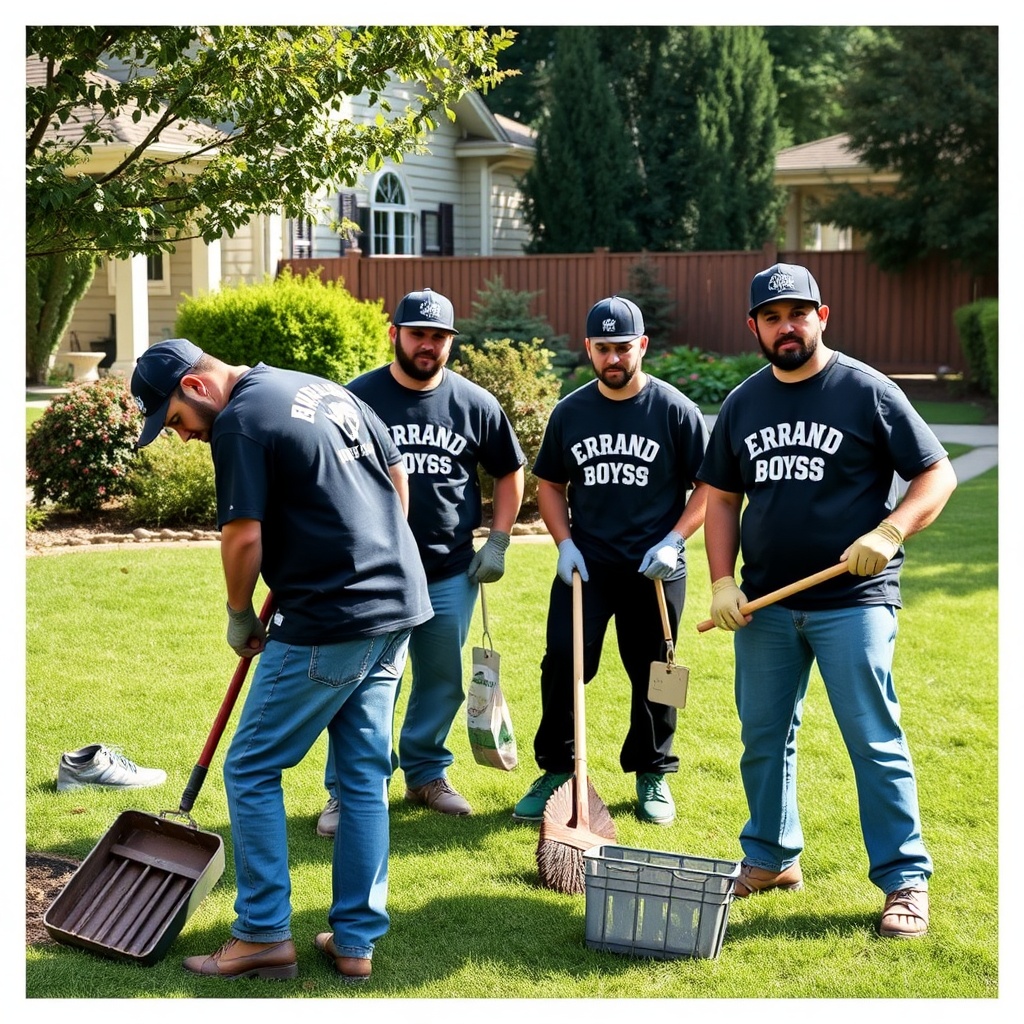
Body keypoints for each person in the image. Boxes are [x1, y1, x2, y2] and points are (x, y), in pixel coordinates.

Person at [129, 338, 432, 982]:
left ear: (197, 387)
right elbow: (395, 473)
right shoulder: (321, 387)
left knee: (251, 766)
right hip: (400, 603)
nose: (182, 437)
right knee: (360, 777)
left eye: (176, 422)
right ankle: (354, 943)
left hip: (331, 617)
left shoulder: (240, 420)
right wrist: (372, 551)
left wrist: (240, 613)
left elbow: (242, 534)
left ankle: (263, 932)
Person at [697, 262, 957, 939]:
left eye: (799, 313)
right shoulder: (744, 403)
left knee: (874, 740)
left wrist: (893, 528)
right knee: (762, 737)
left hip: (857, 599)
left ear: (823, 316)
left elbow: (937, 472)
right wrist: (723, 580)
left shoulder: (866, 391)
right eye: (773, 316)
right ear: (754, 326)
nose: (788, 326)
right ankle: (771, 858)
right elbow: (722, 499)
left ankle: (905, 879)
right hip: (767, 605)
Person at [316, 287, 526, 833]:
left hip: (449, 571)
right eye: (418, 334)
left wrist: (498, 539)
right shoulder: (356, 398)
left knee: (441, 680)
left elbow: (509, 469)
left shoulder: (475, 403)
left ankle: (427, 773)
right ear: (395, 334)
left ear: (451, 342)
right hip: (371, 575)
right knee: (361, 684)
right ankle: (348, 790)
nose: (428, 345)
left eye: (439, 337)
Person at [512, 296, 708, 827]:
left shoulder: (674, 410)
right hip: (589, 566)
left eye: (624, 347)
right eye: (604, 348)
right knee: (564, 663)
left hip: (655, 567)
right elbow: (550, 484)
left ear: (641, 346)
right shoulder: (572, 412)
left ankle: (653, 771)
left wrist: (675, 540)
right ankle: (557, 769)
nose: (614, 358)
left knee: (657, 672)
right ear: (589, 349)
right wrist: (564, 543)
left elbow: (710, 488)